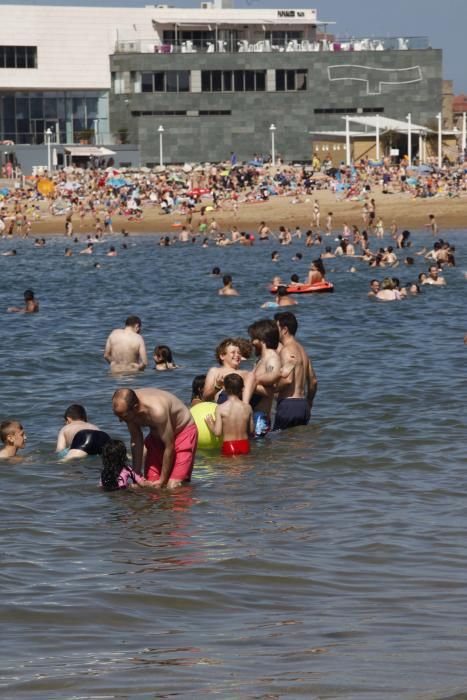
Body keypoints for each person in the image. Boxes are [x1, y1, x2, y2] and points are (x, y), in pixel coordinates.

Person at [112, 387, 198, 488]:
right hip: (157, 436)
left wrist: (162, 480)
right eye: (118, 416)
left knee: (173, 485)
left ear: (135, 408)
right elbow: (136, 439)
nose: (120, 421)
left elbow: (169, 446)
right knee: (150, 484)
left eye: (123, 417)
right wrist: (136, 474)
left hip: (183, 432)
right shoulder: (128, 409)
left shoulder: (157, 411)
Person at [273, 312, 317, 431]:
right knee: (299, 445)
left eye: (276, 328)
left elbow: (287, 380)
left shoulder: (286, 350)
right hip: (303, 405)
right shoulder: (303, 351)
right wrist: (309, 401)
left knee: (282, 444)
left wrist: (272, 388)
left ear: (284, 330)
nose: (273, 332)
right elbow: (313, 381)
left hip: (288, 405)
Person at [245, 319, 282, 437]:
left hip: (260, 418)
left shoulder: (272, 358)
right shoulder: (260, 360)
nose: (251, 342)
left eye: (253, 338)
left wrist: (251, 380)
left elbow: (272, 381)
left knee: (260, 453)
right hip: (254, 415)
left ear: (262, 339)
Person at [205, 373, 254, 456]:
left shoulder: (220, 408)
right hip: (245, 445)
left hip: (229, 445)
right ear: (242, 389)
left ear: (224, 388)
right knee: (244, 468)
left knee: (229, 467)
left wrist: (210, 424)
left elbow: (217, 432)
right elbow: (252, 431)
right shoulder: (247, 407)